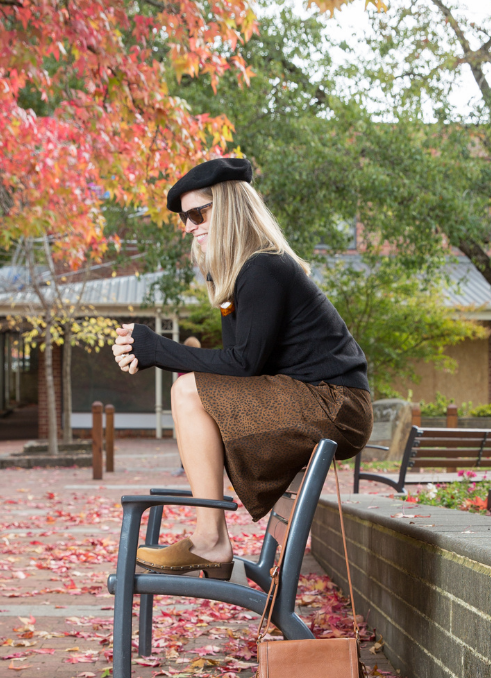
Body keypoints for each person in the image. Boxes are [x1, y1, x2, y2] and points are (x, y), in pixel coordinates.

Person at [111, 157, 372, 580]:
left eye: (198, 213)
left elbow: (243, 364)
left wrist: (157, 349)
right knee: (191, 389)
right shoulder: (241, 274)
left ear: (228, 207)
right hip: (318, 400)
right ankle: (210, 537)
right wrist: (148, 351)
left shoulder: (264, 266)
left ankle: (211, 539)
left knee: (187, 390)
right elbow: (240, 369)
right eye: (185, 219)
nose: (190, 226)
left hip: (336, 404)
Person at [171, 337, 202, 477]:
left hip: (184, 406)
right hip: (199, 406)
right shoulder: (200, 363)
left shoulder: (181, 364)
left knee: (184, 438)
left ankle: (184, 466)